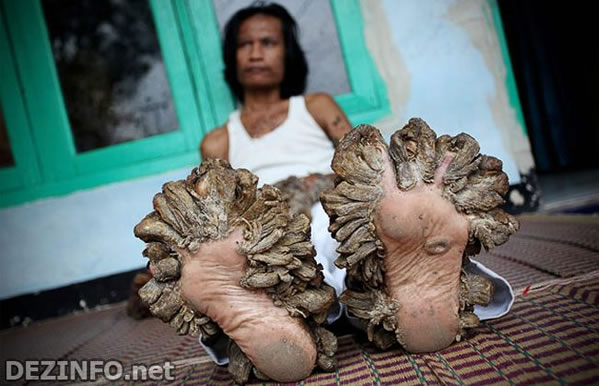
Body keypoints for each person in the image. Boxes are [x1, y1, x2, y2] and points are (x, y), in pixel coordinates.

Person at [142, 2, 515, 382]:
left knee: (345, 241)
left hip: (330, 204)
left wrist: (346, 193)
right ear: (231, 57)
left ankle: (385, 288)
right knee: (277, 260)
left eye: (268, 42)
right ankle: (272, 314)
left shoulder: (315, 106)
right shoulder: (218, 140)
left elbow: (363, 159)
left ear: (288, 53)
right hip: (266, 229)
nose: (255, 52)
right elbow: (216, 202)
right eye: (245, 44)